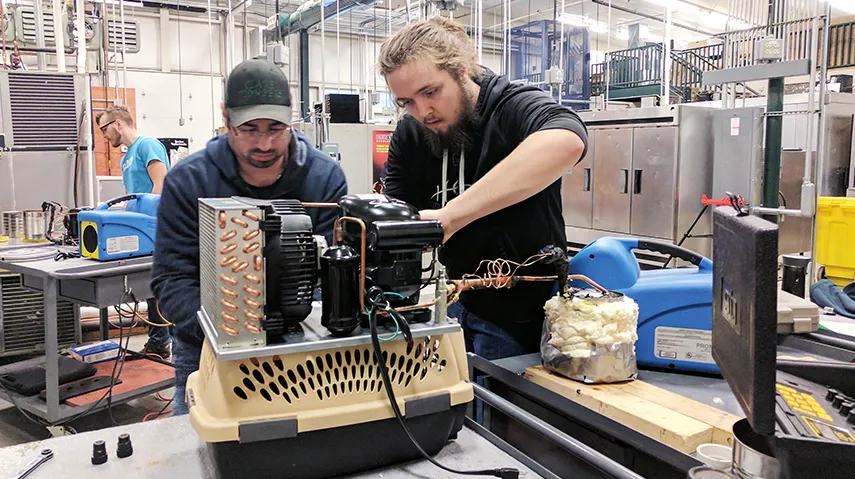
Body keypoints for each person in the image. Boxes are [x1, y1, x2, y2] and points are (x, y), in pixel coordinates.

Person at [378, 17, 588, 360]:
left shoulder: (511, 105)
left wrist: (449, 217)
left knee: (503, 406)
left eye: (430, 92)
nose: (423, 111)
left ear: (461, 71)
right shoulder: (411, 133)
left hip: (521, 315)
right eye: (407, 102)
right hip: (451, 302)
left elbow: (566, 142)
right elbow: (397, 213)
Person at [150, 59, 348, 415]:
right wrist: (230, 329)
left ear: (292, 117)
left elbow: (334, 273)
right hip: (206, 352)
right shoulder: (188, 182)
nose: (264, 143)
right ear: (226, 117)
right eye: (249, 129)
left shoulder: (324, 177)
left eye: (276, 128)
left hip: (301, 346)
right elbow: (171, 279)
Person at [96, 105, 173, 359]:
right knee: (150, 287)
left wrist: (145, 224)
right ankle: (159, 341)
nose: (104, 135)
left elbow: (160, 184)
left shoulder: (147, 145)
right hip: (142, 230)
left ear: (118, 123)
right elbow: (133, 197)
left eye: (105, 129)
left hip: (156, 227)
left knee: (161, 287)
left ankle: (167, 343)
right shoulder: (126, 157)